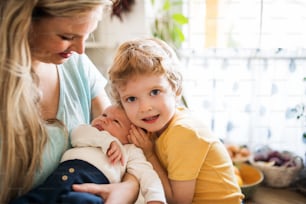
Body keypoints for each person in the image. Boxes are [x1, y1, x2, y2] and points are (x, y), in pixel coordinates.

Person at [0, 1, 139, 203]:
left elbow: (123, 139)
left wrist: (128, 188)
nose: (81, 50)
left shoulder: (76, 65)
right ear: (26, 21)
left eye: (88, 34)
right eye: (67, 37)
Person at [107, 37, 245, 204]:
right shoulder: (155, 128)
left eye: (155, 92)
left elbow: (178, 201)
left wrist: (149, 154)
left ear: (176, 89)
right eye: (131, 99)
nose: (144, 107)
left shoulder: (183, 131)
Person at [10, 105, 166, 204]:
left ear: (130, 135)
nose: (104, 120)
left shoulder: (130, 151)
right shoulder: (87, 132)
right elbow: (77, 134)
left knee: (81, 201)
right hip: (53, 184)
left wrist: (156, 198)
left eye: (116, 122)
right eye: (104, 115)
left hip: (90, 189)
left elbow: (148, 175)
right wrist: (107, 142)